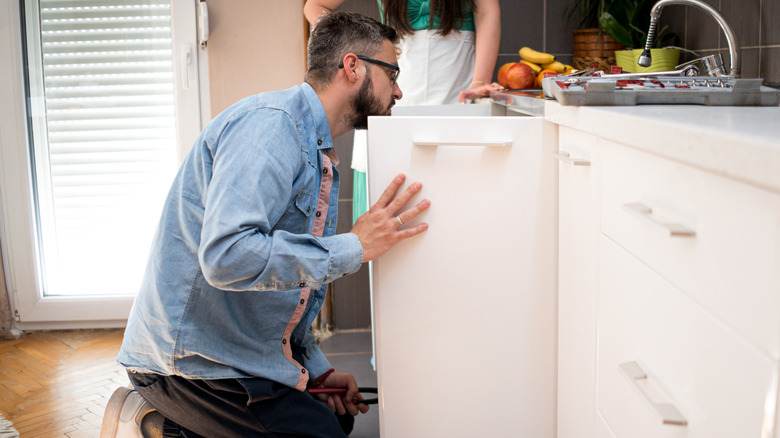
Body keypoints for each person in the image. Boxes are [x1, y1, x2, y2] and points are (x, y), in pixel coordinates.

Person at [105, 11, 430, 438]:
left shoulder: (317, 149)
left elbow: (285, 294)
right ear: (353, 67)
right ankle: (157, 424)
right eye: (393, 72)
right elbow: (227, 257)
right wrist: (355, 245)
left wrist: (314, 369)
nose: (399, 89)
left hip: (235, 348)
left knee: (338, 418)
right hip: (189, 363)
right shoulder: (272, 126)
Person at [304, 0, 501, 223]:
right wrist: (350, 44)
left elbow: (487, 11)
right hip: (386, 97)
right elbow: (315, 5)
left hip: (455, 92)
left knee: (455, 211)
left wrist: (480, 82)